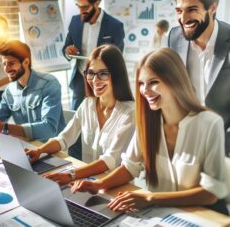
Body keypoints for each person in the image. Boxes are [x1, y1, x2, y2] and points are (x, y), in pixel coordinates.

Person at [71, 48, 228, 215]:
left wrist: (150, 199)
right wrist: (99, 184)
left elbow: (210, 194)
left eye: (153, 82)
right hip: (157, 215)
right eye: (141, 84)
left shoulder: (209, 123)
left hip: (200, 216)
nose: (145, 90)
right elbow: (129, 168)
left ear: (174, 80)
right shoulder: (147, 121)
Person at [26, 44, 135, 185]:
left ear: (117, 75)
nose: (95, 80)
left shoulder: (130, 113)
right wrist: (39, 151)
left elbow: (110, 160)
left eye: (103, 73)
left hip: (114, 187)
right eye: (91, 73)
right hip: (84, 181)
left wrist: (72, 175)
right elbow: (64, 139)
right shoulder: (87, 104)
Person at [168, 0, 230, 157]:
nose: (183, 19)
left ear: (212, 8)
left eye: (191, 10)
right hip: (185, 144)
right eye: (179, 10)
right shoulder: (174, 37)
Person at [62, 0, 125, 159]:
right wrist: (68, 51)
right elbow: (65, 47)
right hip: (80, 83)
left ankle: (102, 163)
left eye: (85, 7)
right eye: (78, 6)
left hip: (104, 84)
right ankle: (76, 162)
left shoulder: (114, 26)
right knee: (76, 129)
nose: (81, 10)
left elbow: (116, 59)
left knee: (103, 127)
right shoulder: (75, 22)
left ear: (96, 3)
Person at [0, 40, 65, 142]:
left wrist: (5, 128)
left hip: (52, 149)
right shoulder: (10, 90)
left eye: (11, 63)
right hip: (27, 146)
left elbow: (49, 129)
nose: (7, 69)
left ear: (26, 62)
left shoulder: (49, 84)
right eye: (4, 64)